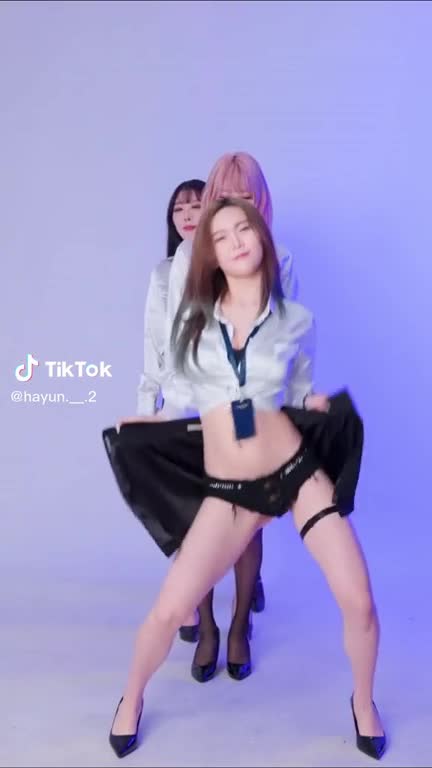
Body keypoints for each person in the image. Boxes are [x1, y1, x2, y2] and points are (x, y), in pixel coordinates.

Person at [108, 197, 386, 760]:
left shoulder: (296, 320)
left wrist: (314, 402)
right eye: (222, 236)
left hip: (295, 474)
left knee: (359, 601)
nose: (236, 241)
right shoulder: (193, 324)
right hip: (230, 491)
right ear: (210, 254)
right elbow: (182, 399)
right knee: (170, 610)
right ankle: (130, 699)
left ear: (262, 237)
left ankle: (363, 701)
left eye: (244, 229)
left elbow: (296, 391)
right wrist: (151, 421)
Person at [163, 152, 298, 683]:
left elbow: (286, 341)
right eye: (227, 194)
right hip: (199, 402)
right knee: (195, 519)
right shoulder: (189, 259)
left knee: (245, 517)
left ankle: (240, 623)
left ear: (261, 199)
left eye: (247, 194)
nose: (238, 203)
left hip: (251, 407)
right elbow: (178, 333)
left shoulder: (280, 259)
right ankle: (208, 626)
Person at [136, 178, 205, 641]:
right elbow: (154, 340)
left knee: (236, 498)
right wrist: (148, 406)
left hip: (227, 400)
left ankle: (248, 582)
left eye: (196, 205)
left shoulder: (230, 261)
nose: (187, 215)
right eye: (179, 208)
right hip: (180, 400)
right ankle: (191, 599)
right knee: (181, 500)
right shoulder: (164, 273)